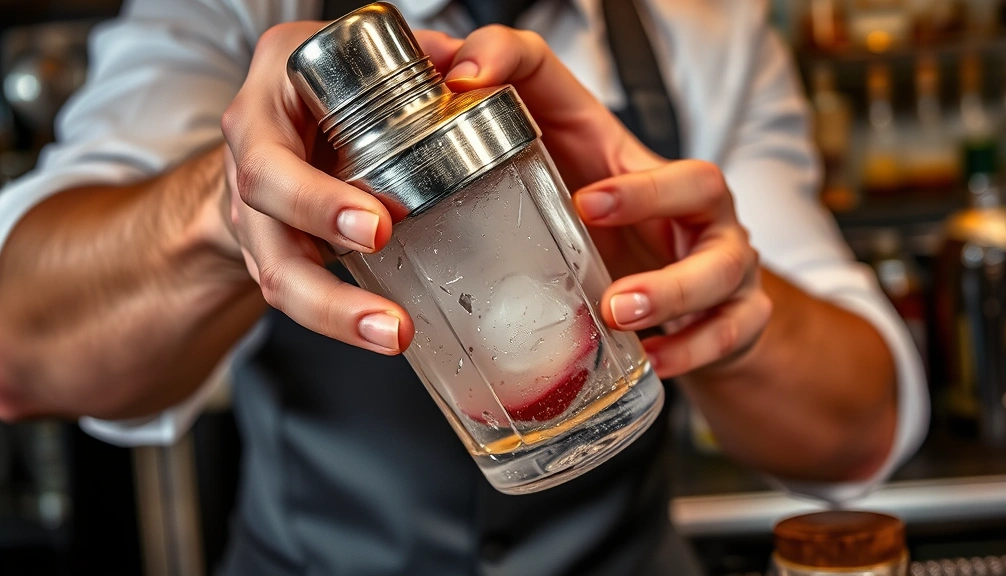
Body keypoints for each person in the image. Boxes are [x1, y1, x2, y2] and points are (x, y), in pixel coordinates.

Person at [0, 0, 928, 574]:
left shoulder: (708, 26)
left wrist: (683, 274)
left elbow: (860, 430)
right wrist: (226, 200)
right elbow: (20, 345)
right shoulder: (224, 12)